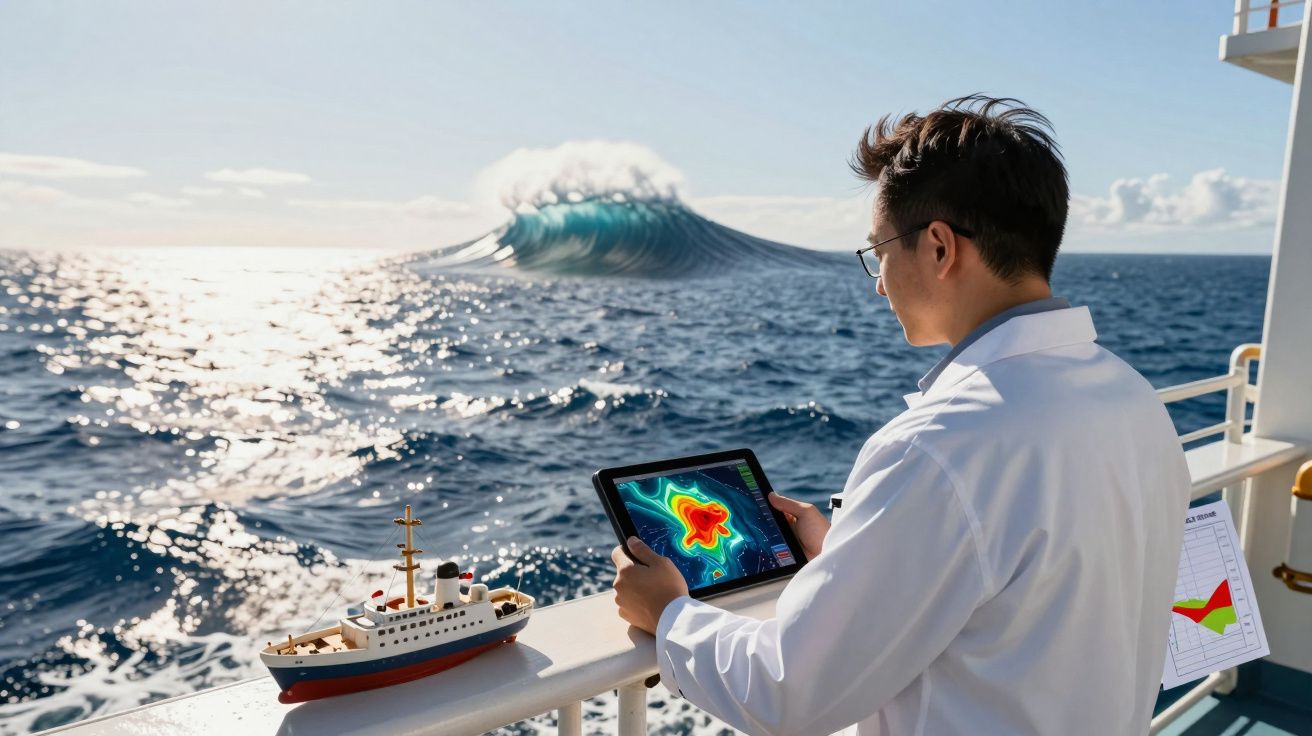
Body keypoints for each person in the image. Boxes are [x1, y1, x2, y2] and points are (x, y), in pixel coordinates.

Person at [609, 94, 1192, 735]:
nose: (879, 281)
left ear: (939, 248)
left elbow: (788, 691)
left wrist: (668, 615)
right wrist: (852, 556)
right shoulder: (1130, 396)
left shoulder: (943, 444)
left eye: (879, 249)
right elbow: (1030, 590)